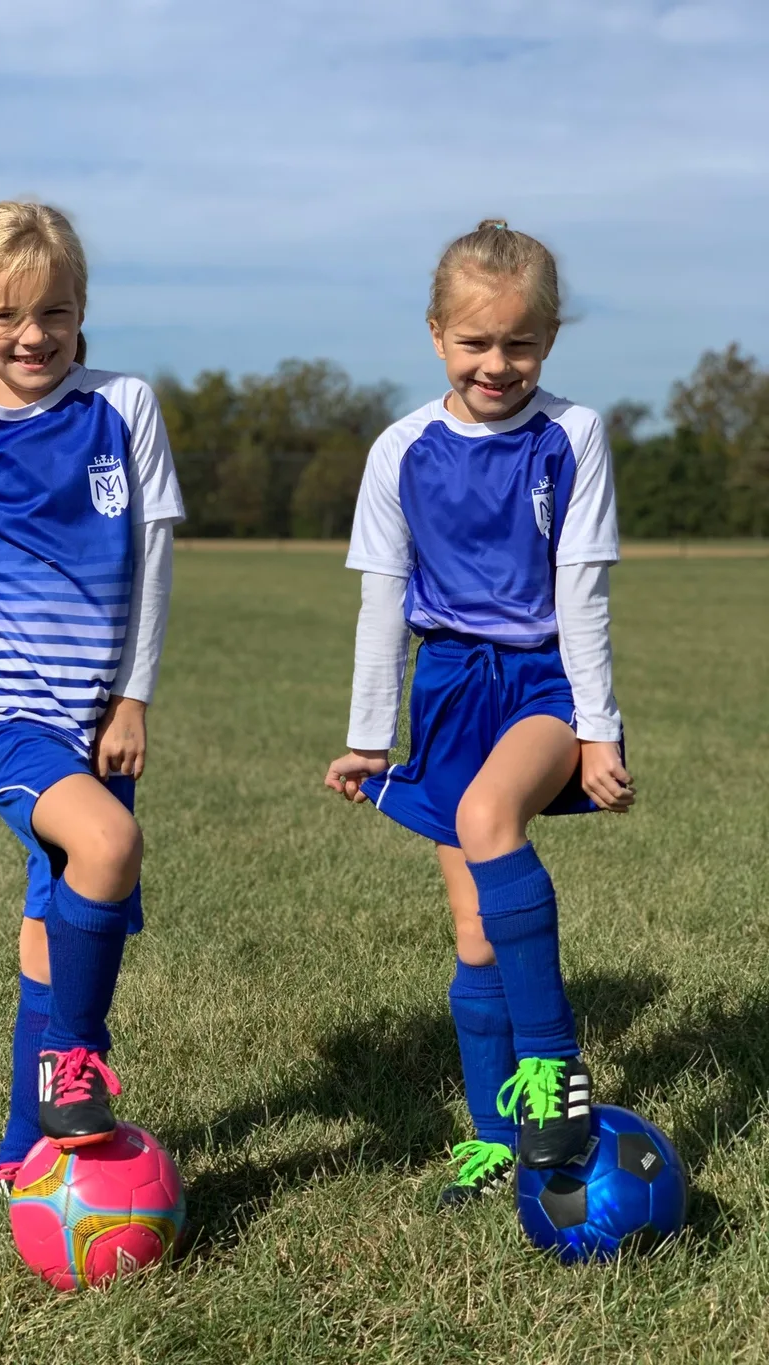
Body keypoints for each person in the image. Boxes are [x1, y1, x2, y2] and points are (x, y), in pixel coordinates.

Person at [324, 219, 634, 1211]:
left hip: (542, 683)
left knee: (489, 820)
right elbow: (381, 602)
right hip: (448, 690)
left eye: (519, 343)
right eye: (475, 343)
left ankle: (553, 1076)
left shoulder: (570, 436)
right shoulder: (399, 450)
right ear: (435, 335)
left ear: (547, 339)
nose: (496, 364)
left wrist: (599, 728)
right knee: (471, 938)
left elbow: (581, 594)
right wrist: (370, 736)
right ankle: (494, 1143)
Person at [0, 201, 185, 1196]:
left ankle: (22, 1146)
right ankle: (76, 1059)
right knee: (107, 847)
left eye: (54, 312)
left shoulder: (124, 407)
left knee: (52, 911)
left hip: (100, 714)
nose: (32, 336)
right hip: (2, 713)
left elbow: (152, 561)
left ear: (80, 311)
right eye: (8, 314)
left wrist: (132, 698)